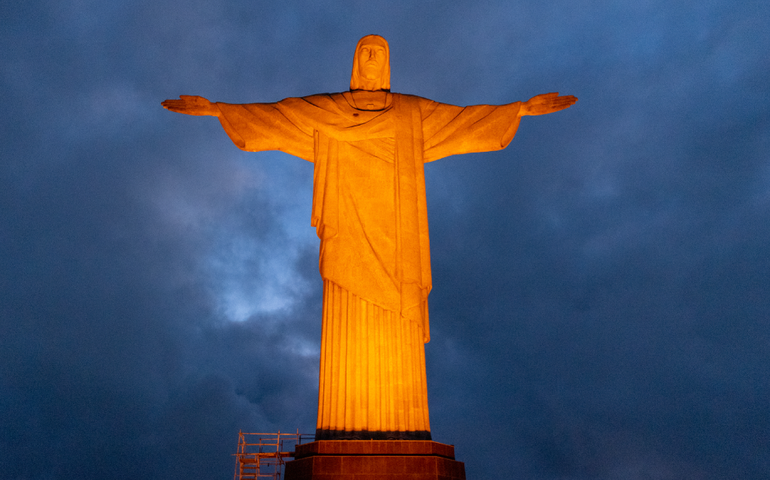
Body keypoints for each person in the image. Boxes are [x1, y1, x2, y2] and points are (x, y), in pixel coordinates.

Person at [162, 34, 576, 440]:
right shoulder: (328, 110)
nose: (374, 60)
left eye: (381, 54)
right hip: (347, 231)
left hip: (397, 239)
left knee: (399, 320)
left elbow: (464, 120)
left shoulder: (412, 113)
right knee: (346, 312)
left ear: (389, 63)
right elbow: (277, 116)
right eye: (367, 53)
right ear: (357, 61)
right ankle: (341, 426)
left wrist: (519, 110)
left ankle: (405, 430)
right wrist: (218, 110)